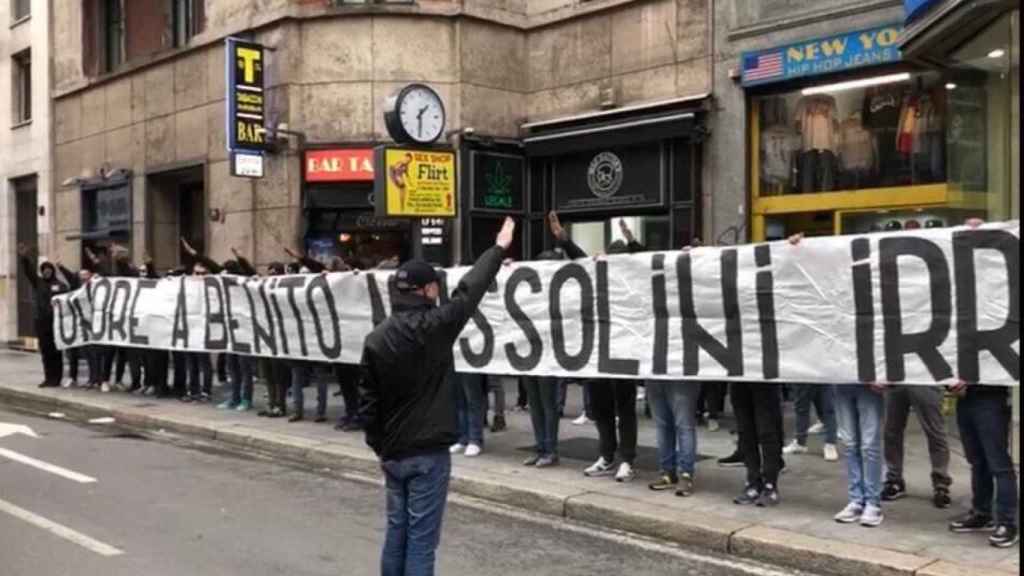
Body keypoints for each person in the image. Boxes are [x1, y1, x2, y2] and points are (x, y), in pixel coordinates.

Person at [359, 216, 514, 576]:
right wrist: (498, 247)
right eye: (434, 287)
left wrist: (380, 447)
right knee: (422, 541)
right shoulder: (436, 327)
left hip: (394, 454)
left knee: (397, 532)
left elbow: (368, 404)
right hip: (427, 453)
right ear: (427, 290)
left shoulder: (376, 339)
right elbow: (469, 292)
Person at [549, 211, 643, 483]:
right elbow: (580, 261)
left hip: (623, 350)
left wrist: (631, 241)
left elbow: (647, 264)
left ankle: (627, 458)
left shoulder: (633, 280)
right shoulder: (596, 275)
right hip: (597, 351)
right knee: (601, 407)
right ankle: (607, 455)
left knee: (624, 408)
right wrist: (564, 241)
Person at [946, 219, 1018, 548]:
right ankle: (982, 511)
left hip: (990, 394)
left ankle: (1007, 521)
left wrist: (984, 229)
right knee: (977, 459)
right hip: (966, 394)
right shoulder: (960, 311)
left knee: (997, 460)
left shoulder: (997, 304)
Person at [881, 385, 953, 507]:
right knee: (891, 432)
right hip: (896, 380)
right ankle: (894, 479)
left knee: (935, 432)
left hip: (925, 380)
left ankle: (941, 484)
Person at [17, 243, 70, 388]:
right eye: (44, 270)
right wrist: (24, 258)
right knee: (46, 352)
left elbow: (67, 300)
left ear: (52, 271)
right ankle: (48, 378)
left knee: (56, 351)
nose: (47, 272)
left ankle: (57, 378)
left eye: (49, 269)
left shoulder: (60, 285)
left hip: (56, 323)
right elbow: (29, 272)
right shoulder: (38, 283)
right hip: (42, 323)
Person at [647, 380, 701, 497]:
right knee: (664, 426)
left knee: (684, 426)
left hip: (680, 377)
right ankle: (668, 472)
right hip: (654, 376)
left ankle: (685, 474)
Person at [783, 384, 840, 462]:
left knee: (828, 409)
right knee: (802, 408)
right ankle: (800, 443)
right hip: (805, 377)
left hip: (824, 376)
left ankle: (830, 444)